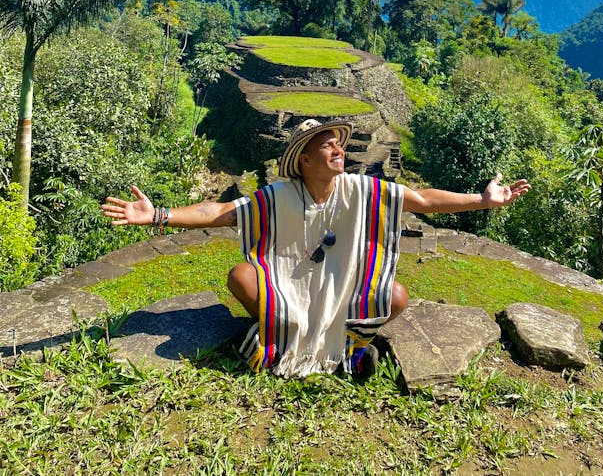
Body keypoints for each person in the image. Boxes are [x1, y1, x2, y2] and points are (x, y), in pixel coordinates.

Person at [102, 118, 529, 378]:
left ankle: (351, 347)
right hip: (292, 284)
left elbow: (421, 199)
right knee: (241, 276)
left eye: (338, 144)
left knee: (395, 295)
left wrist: (482, 199)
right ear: (303, 160)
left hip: (342, 288)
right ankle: (284, 336)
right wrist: (158, 214)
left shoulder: (361, 189)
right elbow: (220, 212)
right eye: (327, 145)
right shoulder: (279, 195)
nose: (338, 149)